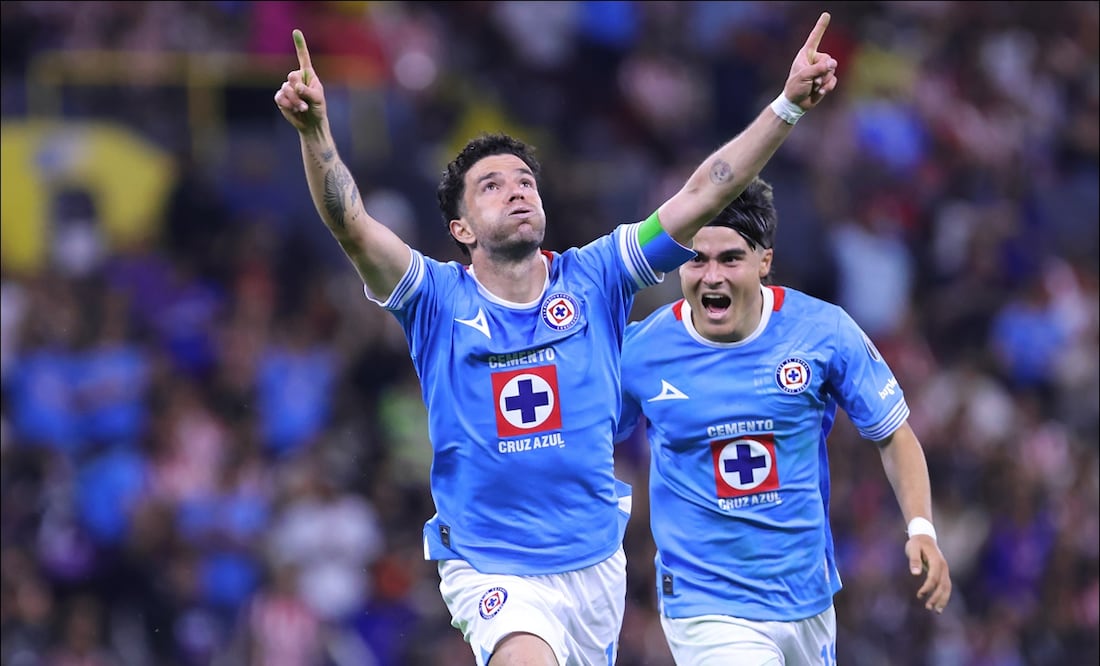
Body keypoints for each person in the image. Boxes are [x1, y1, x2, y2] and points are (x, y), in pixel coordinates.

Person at [274, 14, 838, 666]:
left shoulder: (597, 276)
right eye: (492, 185)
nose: (516, 190)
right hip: (492, 567)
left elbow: (703, 192)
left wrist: (787, 105)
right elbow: (352, 225)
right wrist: (316, 132)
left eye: (524, 180)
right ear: (460, 228)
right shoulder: (435, 298)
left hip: (594, 564)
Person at [617, 177, 953, 665]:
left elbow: (893, 433)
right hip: (705, 604)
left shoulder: (823, 330)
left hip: (807, 596)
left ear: (764, 262)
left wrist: (921, 527)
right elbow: (586, 437)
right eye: (696, 259)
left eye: (730, 258)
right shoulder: (642, 350)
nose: (711, 276)